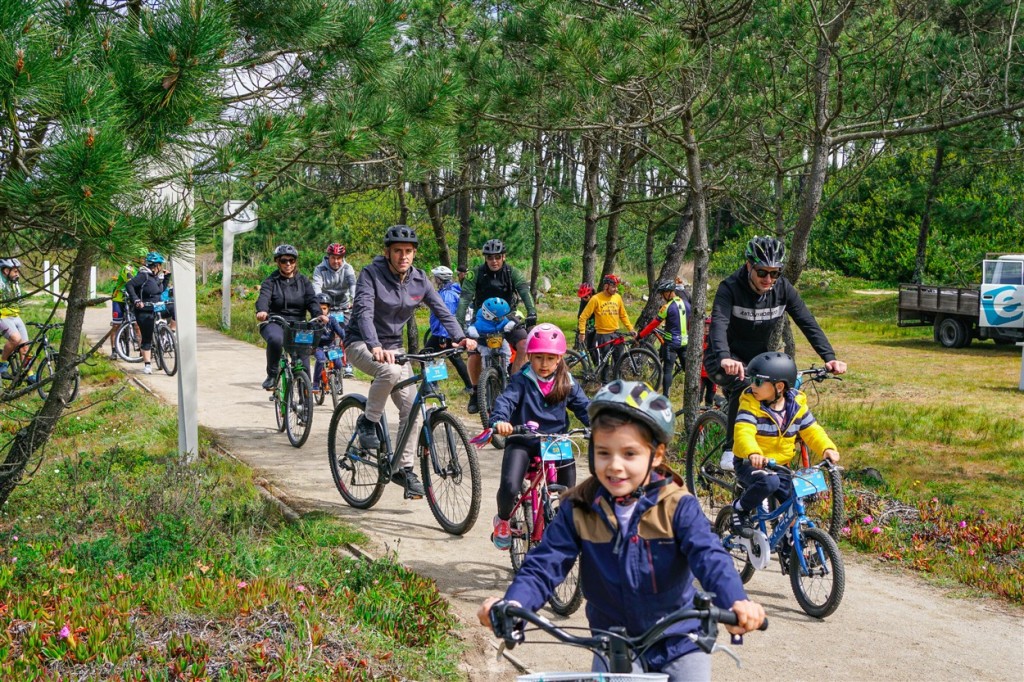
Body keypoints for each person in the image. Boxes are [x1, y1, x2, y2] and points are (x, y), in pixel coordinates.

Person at [477, 380, 765, 679]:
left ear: (656, 455)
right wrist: (514, 604)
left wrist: (735, 601)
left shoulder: (678, 506)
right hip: (613, 642)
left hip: (680, 641)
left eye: (629, 454)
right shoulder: (578, 508)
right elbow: (544, 565)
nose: (614, 466)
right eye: (603, 453)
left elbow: (710, 557)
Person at [345, 226, 477, 498]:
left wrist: (461, 337)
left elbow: (442, 311)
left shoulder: (420, 280)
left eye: (408, 251)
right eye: (397, 251)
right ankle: (368, 422)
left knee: (413, 409)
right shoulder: (371, 274)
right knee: (390, 370)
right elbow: (365, 313)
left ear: (414, 253)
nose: (403, 256)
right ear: (388, 252)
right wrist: (374, 345)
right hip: (361, 342)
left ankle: (403, 470)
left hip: (394, 347)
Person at [706, 236, 847, 471]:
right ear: (749, 265)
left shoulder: (782, 289)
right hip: (722, 358)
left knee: (784, 393)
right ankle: (731, 450)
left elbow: (806, 321)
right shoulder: (729, 288)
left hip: (758, 359)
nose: (768, 279)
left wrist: (829, 357)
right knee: (745, 386)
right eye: (762, 272)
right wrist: (724, 357)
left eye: (775, 273)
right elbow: (719, 323)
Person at [487, 324, 590, 550]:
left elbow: (585, 408)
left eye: (550, 358)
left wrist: (602, 425)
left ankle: (561, 529)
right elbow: (506, 401)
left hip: (556, 441)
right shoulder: (521, 380)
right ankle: (503, 519)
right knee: (510, 484)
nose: (544, 364)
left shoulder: (567, 382)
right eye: (538, 357)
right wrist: (500, 421)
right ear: (530, 356)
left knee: (568, 493)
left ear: (560, 358)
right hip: (524, 440)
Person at [729, 351, 840, 535]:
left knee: (794, 507)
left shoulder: (796, 406)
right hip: (750, 462)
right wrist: (753, 452)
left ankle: (790, 548)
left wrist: (827, 448)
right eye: (751, 379)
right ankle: (740, 509)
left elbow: (812, 431)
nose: (752, 385)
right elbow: (743, 432)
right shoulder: (750, 403)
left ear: (779, 386)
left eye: (757, 381)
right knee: (769, 482)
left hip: (780, 466)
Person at [456, 239, 537, 414]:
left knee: (524, 344)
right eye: (490, 257)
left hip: (507, 318)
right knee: (473, 353)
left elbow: (524, 291)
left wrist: (531, 312)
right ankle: (476, 391)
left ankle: (515, 385)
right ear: (485, 258)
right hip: (481, 320)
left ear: (503, 257)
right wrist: (459, 324)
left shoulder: (512, 272)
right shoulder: (475, 273)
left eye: (498, 257)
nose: (494, 261)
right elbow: (464, 299)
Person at [255, 244, 325, 390]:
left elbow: (312, 300)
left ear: (295, 262)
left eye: (291, 260)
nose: (288, 264)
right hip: (275, 321)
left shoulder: (303, 281)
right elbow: (264, 297)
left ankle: (305, 397)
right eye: (284, 261)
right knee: (276, 340)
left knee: (303, 360)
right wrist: (262, 310)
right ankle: (272, 375)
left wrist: (318, 314)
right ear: (277, 262)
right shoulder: (271, 281)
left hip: (298, 324)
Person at [425, 265, 473, 394]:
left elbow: (446, 316)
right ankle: (470, 386)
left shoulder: (447, 295)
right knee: (455, 358)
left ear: (440, 279)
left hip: (445, 333)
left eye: (436, 278)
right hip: (447, 333)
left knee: (426, 354)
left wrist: (442, 336)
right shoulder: (448, 291)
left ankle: (432, 385)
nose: (434, 280)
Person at [577, 273, 635, 378]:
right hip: (603, 335)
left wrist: (630, 328)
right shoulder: (596, 299)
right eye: (613, 286)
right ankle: (604, 384)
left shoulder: (617, 298)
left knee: (619, 361)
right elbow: (583, 317)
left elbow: (623, 315)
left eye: (616, 287)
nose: (615, 289)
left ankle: (618, 383)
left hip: (616, 334)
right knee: (604, 362)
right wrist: (582, 332)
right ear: (606, 286)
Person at [312, 243, 356, 377]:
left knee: (348, 333)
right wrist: (319, 306)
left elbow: (353, 285)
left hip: (344, 305)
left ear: (343, 258)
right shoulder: (320, 269)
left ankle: (348, 364)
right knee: (323, 331)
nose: (336, 261)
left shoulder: (348, 268)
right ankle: (321, 354)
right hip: (326, 305)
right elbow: (316, 286)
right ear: (328, 257)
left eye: (339, 258)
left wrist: (354, 301)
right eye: (333, 258)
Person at [637, 279, 688, 395]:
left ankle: (665, 397)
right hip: (685, 343)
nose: (662, 296)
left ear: (668, 292)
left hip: (671, 344)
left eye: (662, 293)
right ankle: (696, 395)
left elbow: (653, 325)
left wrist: (640, 335)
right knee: (688, 370)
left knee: (667, 370)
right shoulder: (686, 304)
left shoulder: (667, 307)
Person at [125, 252, 172, 375]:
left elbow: (159, 290)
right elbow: (129, 285)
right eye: (160, 265)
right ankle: (147, 364)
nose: (161, 267)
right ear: (155, 265)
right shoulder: (143, 275)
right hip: (144, 309)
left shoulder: (154, 276)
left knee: (173, 309)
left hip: (156, 306)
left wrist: (166, 278)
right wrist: (136, 300)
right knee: (147, 337)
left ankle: (169, 333)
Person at [109, 250, 143, 359]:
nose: (144, 260)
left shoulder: (143, 269)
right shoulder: (128, 268)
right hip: (120, 298)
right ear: (136, 258)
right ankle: (114, 350)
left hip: (133, 299)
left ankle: (142, 349)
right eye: (142, 258)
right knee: (116, 325)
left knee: (137, 325)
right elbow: (131, 282)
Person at [311, 293, 346, 395]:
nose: (322, 311)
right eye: (320, 308)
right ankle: (316, 383)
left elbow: (340, 331)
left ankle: (336, 381)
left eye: (325, 308)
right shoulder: (313, 322)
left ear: (329, 309)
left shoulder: (332, 320)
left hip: (331, 346)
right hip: (318, 347)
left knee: (339, 363)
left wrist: (347, 339)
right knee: (321, 360)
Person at [0, 258, 27, 380]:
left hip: (15, 316)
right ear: (6, 270)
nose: (17, 274)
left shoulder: (14, 283)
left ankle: (29, 375)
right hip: (2, 317)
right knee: (15, 339)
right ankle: (3, 363)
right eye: (15, 271)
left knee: (25, 347)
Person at [576, 282, 597, 362]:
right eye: (582, 297)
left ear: (591, 294)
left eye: (586, 297)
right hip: (590, 326)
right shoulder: (584, 302)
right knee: (590, 348)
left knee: (596, 347)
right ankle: (595, 365)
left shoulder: (596, 300)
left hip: (599, 327)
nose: (584, 299)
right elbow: (581, 316)